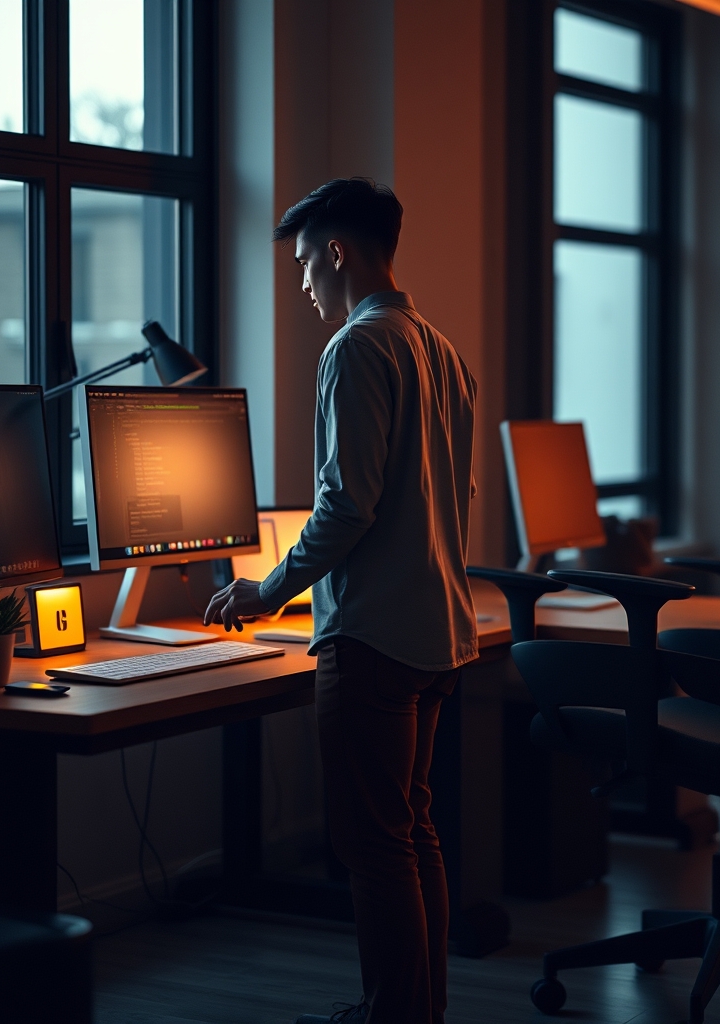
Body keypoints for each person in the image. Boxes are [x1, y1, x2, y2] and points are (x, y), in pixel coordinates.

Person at [204, 178, 479, 1024]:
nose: (302, 287)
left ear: (337, 252)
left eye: (303, 266)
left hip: (372, 638)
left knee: (372, 846)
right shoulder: (439, 347)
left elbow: (346, 506)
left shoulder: (357, 348)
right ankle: (412, 1011)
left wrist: (266, 591)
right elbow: (450, 493)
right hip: (437, 631)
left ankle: (392, 1016)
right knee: (410, 833)